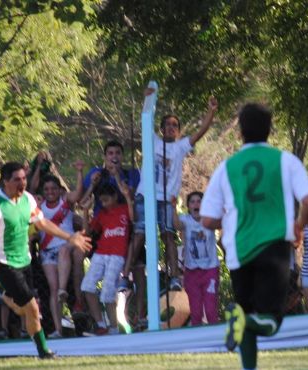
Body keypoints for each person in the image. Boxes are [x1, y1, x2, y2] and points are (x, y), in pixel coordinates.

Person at [201, 103, 308, 370]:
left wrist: (232, 218)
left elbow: (207, 220)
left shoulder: (226, 167)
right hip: (274, 245)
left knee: (245, 313)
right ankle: (245, 329)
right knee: (271, 321)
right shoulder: (286, 160)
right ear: (270, 129)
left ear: (239, 132)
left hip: (238, 251)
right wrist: (299, 225)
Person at [0, 162, 91, 359]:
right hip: (4, 264)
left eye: (24, 178)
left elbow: (42, 223)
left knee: (25, 309)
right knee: (32, 308)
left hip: (25, 262)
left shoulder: (28, 199)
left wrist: (69, 237)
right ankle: (44, 351)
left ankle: (2, 294)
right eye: (17, 179)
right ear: (5, 182)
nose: (22, 183)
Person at [132, 90, 218, 291]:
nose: (171, 127)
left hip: (166, 199)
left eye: (175, 125)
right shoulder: (152, 141)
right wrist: (147, 99)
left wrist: (211, 112)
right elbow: (144, 119)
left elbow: (201, 132)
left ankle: (174, 277)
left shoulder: (180, 147)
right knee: (139, 235)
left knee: (168, 235)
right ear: (161, 129)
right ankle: (125, 276)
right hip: (145, 195)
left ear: (178, 131)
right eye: (168, 125)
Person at [30, 163, 84, 338]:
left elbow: (78, 193)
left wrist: (79, 172)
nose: (50, 192)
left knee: (63, 252)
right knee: (52, 289)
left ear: (59, 189)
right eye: (46, 189)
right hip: (47, 250)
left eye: (53, 188)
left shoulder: (65, 201)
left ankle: (63, 289)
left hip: (67, 244)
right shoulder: (39, 207)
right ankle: (58, 329)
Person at [80, 178, 134, 335]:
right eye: (101, 201)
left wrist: (128, 197)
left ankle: (114, 327)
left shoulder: (124, 209)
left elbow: (133, 218)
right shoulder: (101, 214)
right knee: (87, 286)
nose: (104, 204)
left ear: (115, 197)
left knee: (108, 292)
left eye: (106, 200)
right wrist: (85, 211)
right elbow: (87, 232)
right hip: (100, 254)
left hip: (117, 256)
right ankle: (101, 324)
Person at [173, 191, 220, 326]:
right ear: (188, 206)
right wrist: (173, 207)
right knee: (196, 311)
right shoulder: (185, 220)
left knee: (210, 309)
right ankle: (197, 337)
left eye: (199, 201)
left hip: (210, 270)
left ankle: (215, 335)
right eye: (192, 202)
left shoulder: (209, 219)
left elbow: (220, 223)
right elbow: (177, 225)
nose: (196, 204)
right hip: (192, 271)